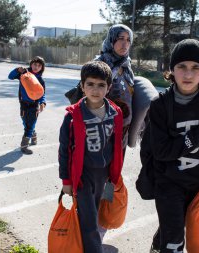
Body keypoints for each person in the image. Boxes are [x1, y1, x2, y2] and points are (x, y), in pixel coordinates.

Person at [143, 39, 199, 253]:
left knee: (178, 225)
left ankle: (157, 245)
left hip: (198, 180)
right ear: (171, 70)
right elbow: (161, 151)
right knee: (174, 242)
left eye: (195, 68)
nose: (188, 75)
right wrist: (197, 136)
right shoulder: (160, 105)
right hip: (168, 181)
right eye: (181, 67)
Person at [58, 61, 124, 253]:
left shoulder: (115, 113)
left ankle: (83, 246)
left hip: (104, 174)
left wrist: (114, 175)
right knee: (88, 220)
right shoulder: (73, 116)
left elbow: (116, 145)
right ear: (82, 86)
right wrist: (67, 180)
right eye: (90, 84)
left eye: (101, 85)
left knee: (96, 215)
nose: (95, 90)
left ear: (109, 87)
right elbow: (64, 150)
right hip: (82, 176)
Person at [95, 24, 135, 150]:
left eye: (128, 40)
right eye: (121, 38)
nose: (125, 43)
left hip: (122, 132)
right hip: (100, 131)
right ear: (111, 39)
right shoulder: (99, 65)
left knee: (117, 169)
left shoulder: (126, 66)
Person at [8, 56, 46, 154]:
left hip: (34, 105)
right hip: (24, 105)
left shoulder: (40, 80)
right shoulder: (24, 74)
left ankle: (24, 146)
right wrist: (17, 70)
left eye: (39, 65)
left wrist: (42, 103)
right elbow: (10, 76)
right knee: (25, 123)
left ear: (42, 68)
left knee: (30, 124)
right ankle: (33, 134)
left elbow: (42, 93)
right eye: (34, 64)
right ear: (31, 64)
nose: (36, 67)